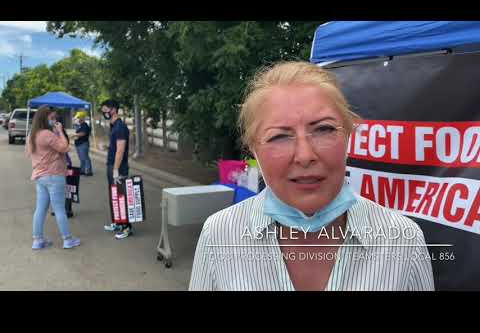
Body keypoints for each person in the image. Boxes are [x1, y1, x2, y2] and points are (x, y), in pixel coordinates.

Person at [189, 61, 435, 291]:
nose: (305, 156)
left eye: (324, 129)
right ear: (254, 149)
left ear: (349, 135)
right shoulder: (219, 234)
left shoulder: (404, 239)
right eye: (279, 136)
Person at [26, 106, 81, 250]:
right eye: (52, 118)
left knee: (41, 209)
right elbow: (65, 148)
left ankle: (37, 240)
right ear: (44, 118)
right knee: (59, 209)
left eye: (55, 118)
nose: (54, 120)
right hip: (54, 175)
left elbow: (29, 154)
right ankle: (67, 239)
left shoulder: (32, 134)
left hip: (40, 176)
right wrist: (60, 132)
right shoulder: (46, 134)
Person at [101, 99, 133, 240]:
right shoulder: (114, 126)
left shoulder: (120, 127)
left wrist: (115, 170)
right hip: (112, 165)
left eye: (105, 109)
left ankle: (126, 228)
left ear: (113, 109)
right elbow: (116, 147)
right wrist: (108, 148)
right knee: (114, 196)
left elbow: (120, 150)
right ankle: (117, 222)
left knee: (121, 197)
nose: (104, 112)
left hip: (118, 168)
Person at [73, 111, 93, 176]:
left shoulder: (85, 125)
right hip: (78, 144)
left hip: (83, 144)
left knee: (85, 157)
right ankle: (82, 170)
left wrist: (74, 135)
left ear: (82, 118)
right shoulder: (79, 125)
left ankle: (88, 171)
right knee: (81, 158)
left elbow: (83, 133)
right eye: (77, 117)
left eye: (79, 117)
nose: (78, 119)